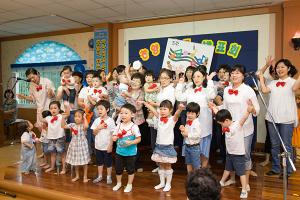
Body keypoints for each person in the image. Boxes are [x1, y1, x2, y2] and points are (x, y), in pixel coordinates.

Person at [213, 64, 260, 189]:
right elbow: (225, 108)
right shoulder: (227, 89)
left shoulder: (248, 90)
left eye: (237, 73)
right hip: (230, 128)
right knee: (231, 154)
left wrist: (252, 110)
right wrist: (215, 108)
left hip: (245, 129)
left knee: (245, 155)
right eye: (232, 73)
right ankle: (233, 179)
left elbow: (258, 110)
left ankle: (246, 183)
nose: (234, 75)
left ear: (243, 76)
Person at [258, 59, 299, 177]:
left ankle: (288, 170)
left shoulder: (292, 82)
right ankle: (276, 168)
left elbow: (295, 88)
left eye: (282, 67)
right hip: (272, 118)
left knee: (286, 145)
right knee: (274, 145)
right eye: (277, 67)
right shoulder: (273, 83)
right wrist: (261, 77)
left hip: (287, 119)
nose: (279, 69)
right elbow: (264, 90)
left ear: (288, 69)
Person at [176, 65, 217, 168]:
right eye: (194, 77)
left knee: (204, 151)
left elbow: (212, 96)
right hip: (190, 125)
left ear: (204, 77)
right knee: (191, 149)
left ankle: (202, 172)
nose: (196, 79)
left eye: (199, 76)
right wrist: (180, 84)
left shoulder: (207, 89)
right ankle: (193, 175)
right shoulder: (189, 89)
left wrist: (210, 81)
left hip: (205, 124)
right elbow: (179, 97)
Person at [215, 99, 255, 199]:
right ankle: (222, 182)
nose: (221, 126)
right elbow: (218, 114)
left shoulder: (237, 125)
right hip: (230, 153)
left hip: (238, 154)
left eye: (221, 124)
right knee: (227, 169)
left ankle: (244, 189)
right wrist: (213, 107)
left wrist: (248, 110)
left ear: (227, 121)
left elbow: (244, 118)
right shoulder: (225, 125)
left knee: (241, 173)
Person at [142, 100, 184, 192]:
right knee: (161, 165)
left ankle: (168, 184)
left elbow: (177, 114)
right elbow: (153, 110)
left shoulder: (172, 119)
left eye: (165, 109)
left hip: (167, 147)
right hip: (159, 146)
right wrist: (146, 103)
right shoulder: (159, 117)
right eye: (161, 109)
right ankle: (162, 183)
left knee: (168, 166)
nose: (162, 111)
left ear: (170, 110)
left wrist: (180, 109)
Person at [149, 68, 175, 173]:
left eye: (166, 78)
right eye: (161, 78)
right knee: (155, 141)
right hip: (156, 117)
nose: (163, 80)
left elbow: (169, 105)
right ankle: (159, 164)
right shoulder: (160, 88)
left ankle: (166, 166)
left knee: (164, 142)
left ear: (170, 79)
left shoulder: (171, 90)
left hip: (165, 120)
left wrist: (152, 104)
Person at [112, 103, 141, 193]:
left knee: (130, 169)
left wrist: (131, 142)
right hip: (119, 151)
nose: (123, 115)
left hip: (130, 153)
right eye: (121, 113)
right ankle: (119, 183)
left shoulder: (134, 127)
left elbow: (139, 139)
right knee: (118, 169)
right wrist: (114, 138)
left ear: (132, 114)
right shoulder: (119, 125)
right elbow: (114, 136)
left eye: (126, 113)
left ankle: (129, 184)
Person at [91, 100, 116, 184]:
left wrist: (110, 145)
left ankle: (109, 177)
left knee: (108, 162)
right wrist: (99, 127)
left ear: (107, 109)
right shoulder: (96, 120)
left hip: (107, 146)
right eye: (98, 109)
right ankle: (100, 176)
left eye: (101, 109)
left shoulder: (110, 121)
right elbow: (94, 133)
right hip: (98, 145)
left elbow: (113, 134)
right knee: (99, 162)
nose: (99, 111)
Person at [62, 109, 90, 182]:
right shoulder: (72, 125)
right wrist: (62, 118)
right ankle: (77, 176)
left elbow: (87, 126)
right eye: (75, 116)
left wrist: (84, 117)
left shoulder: (83, 125)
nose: (77, 118)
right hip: (74, 145)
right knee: (75, 162)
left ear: (82, 118)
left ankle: (85, 177)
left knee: (84, 162)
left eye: (79, 116)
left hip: (82, 145)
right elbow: (63, 126)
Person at [42, 101, 69, 173]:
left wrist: (67, 106)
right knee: (52, 153)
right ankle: (52, 167)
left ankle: (64, 168)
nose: (53, 110)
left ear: (59, 109)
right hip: (51, 138)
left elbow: (68, 114)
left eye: (55, 108)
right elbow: (42, 119)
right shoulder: (48, 118)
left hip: (60, 138)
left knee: (62, 153)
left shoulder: (60, 116)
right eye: (51, 108)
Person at [179, 102, 201, 173]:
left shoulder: (197, 123)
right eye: (188, 113)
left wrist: (187, 134)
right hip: (187, 146)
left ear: (197, 114)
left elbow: (198, 135)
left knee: (196, 165)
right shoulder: (187, 122)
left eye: (192, 113)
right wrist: (183, 130)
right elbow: (184, 134)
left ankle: (197, 179)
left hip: (194, 147)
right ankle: (190, 177)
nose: (190, 115)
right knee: (188, 163)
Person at [293, 95, 300, 161]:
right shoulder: (293, 108)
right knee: (293, 142)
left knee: (298, 141)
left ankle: (298, 156)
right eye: (296, 99)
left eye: (298, 99)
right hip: (293, 127)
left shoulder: (299, 109)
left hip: (298, 127)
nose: (297, 100)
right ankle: (295, 156)